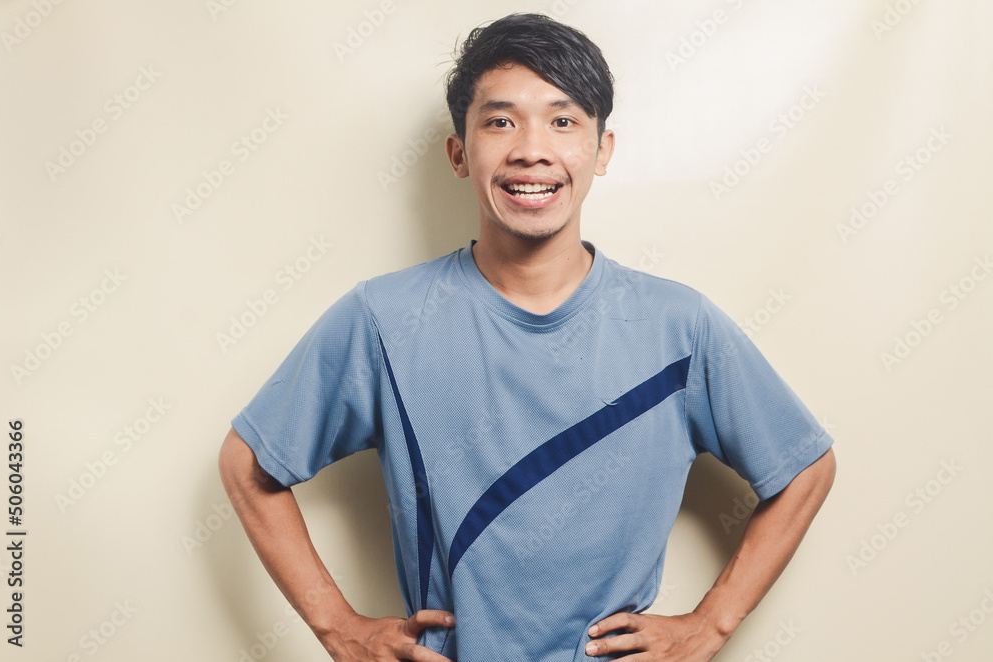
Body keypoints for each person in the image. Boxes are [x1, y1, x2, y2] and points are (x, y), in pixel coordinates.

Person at [218, 12, 836, 662]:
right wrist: (338, 627)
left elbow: (805, 467)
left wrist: (710, 625)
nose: (531, 148)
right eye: (500, 120)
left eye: (563, 120)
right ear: (459, 153)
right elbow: (247, 466)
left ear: (603, 150)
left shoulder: (681, 327)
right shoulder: (383, 320)